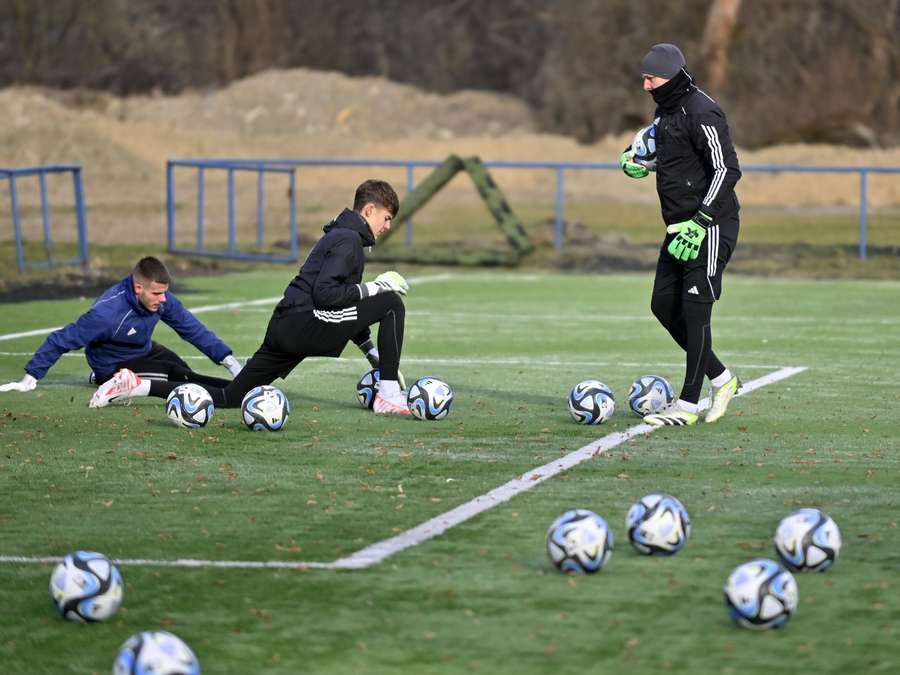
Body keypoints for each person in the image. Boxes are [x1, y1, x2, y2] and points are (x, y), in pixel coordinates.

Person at [90, 179, 412, 415]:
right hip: (305, 321)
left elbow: (345, 307)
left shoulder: (343, 236)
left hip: (285, 324)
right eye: (385, 218)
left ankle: (138, 385)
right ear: (369, 209)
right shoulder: (349, 241)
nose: (386, 226)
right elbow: (328, 296)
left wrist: (374, 355)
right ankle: (388, 395)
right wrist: (377, 287)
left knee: (231, 396)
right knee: (392, 303)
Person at [619, 43, 742, 426]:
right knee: (662, 305)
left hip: (709, 226)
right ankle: (722, 379)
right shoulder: (667, 111)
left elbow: (727, 170)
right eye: (644, 78)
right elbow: (670, 155)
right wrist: (636, 160)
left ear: (669, 77)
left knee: (696, 312)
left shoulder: (703, 110)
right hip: (677, 228)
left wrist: (701, 221)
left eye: (650, 79)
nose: (645, 86)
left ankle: (688, 405)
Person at [0, 256, 243, 405]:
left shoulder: (161, 300)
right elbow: (60, 340)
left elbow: (192, 328)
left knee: (184, 373)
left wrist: (232, 363)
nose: (163, 299)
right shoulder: (106, 314)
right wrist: (29, 379)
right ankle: (238, 395)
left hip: (144, 350)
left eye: (165, 292)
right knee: (183, 382)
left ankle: (241, 386)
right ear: (138, 288)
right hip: (113, 365)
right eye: (157, 293)